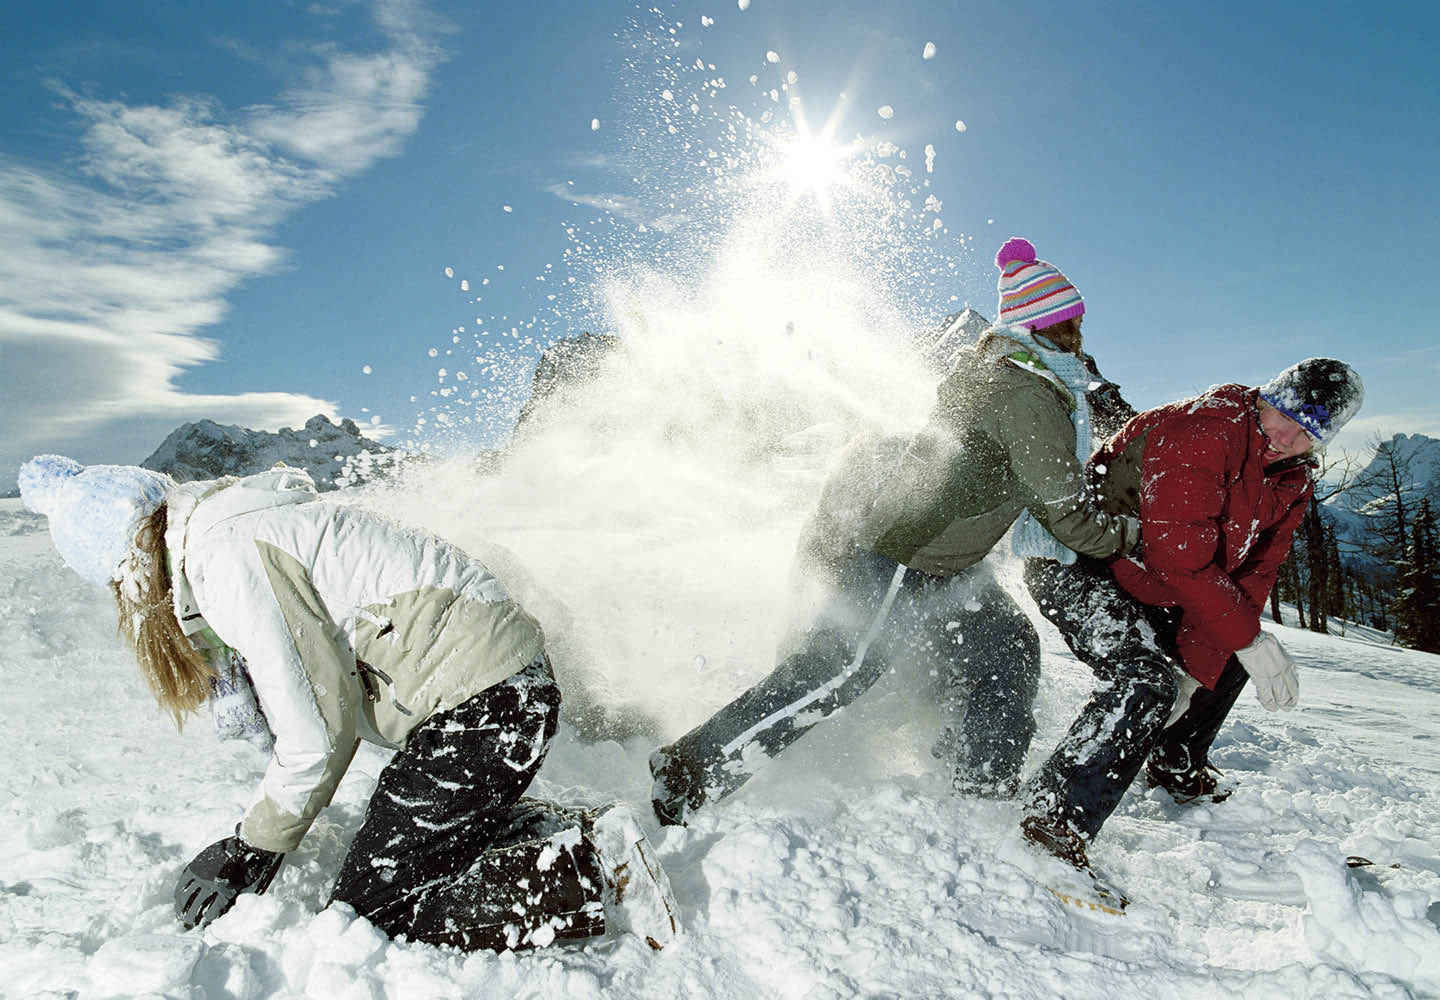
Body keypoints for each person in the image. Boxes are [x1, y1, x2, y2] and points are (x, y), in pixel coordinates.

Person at [17, 457, 678, 952]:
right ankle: (586, 832)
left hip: (483, 707)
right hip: (499, 697)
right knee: (407, 837)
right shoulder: (230, 527)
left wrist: (254, 845)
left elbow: (319, 724)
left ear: (131, 559)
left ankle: (598, 879)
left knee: (379, 906)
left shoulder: (222, 557)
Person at [649, 237, 1141, 825]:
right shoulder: (1027, 395)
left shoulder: (1009, 375)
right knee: (840, 670)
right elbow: (1064, 512)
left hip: (948, 567)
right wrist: (1129, 536)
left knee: (1008, 649)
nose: (1080, 334)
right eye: (1072, 321)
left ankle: (978, 790)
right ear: (1049, 325)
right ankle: (687, 769)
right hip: (905, 556)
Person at [1019, 357, 1364, 872]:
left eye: (1308, 429)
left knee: (1229, 649)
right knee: (1147, 679)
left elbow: (1252, 577)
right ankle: (1052, 820)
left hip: (1153, 580)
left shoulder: (1292, 477)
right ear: (1264, 397)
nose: (1285, 435)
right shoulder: (1204, 429)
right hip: (1080, 562)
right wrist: (1211, 656)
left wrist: (1214, 661)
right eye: (1282, 412)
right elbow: (1177, 558)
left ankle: (1173, 758)